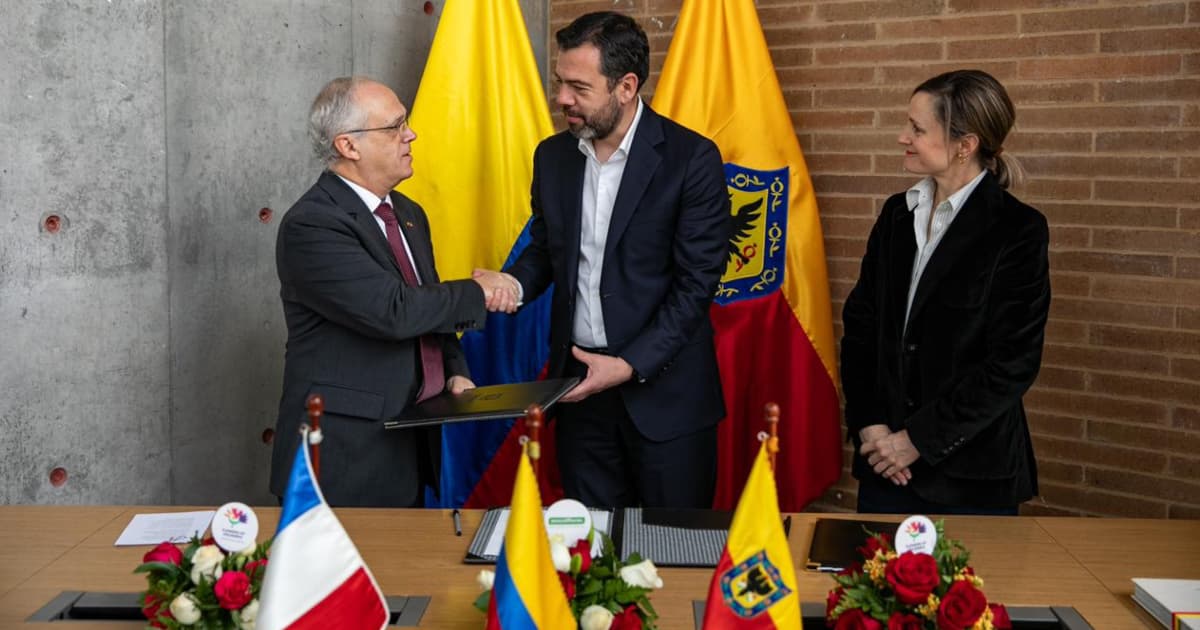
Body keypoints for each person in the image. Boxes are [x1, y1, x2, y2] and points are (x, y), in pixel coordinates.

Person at [477, 11, 731, 509]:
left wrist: (628, 364)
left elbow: (696, 284)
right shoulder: (553, 157)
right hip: (580, 397)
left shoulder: (691, 159)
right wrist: (514, 283)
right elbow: (546, 249)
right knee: (588, 545)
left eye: (578, 87)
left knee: (669, 547)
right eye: (560, 82)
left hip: (666, 399)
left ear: (626, 87)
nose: (561, 99)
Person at [270, 76, 511, 507]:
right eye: (395, 126)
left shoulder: (407, 212)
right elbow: (392, 311)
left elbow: (427, 301)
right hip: (343, 454)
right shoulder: (313, 224)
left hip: (409, 437)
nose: (410, 135)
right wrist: (480, 291)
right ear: (348, 145)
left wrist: (453, 366)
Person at [840, 69, 1050, 515]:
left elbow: (1012, 363)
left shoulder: (1018, 230)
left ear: (964, 145)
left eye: (917, 129)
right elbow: (861, 328)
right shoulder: (896, 215)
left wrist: (917, 440)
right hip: (884, 467)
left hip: (969, 479)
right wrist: (870, 425)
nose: (903, 137)